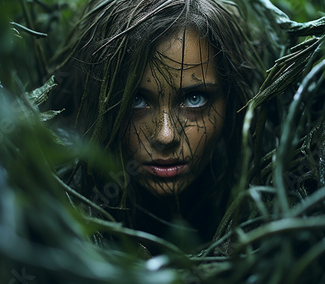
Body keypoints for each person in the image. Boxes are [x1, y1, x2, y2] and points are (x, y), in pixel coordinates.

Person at [52, 0, 264, 253]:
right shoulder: (55, 217)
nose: (166, 135)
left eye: (194, 98)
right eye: (135, 100)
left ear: (231, 100)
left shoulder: (261, 208)